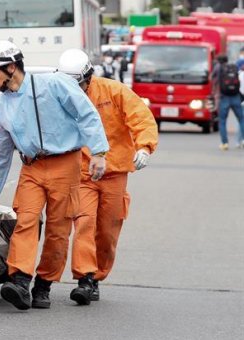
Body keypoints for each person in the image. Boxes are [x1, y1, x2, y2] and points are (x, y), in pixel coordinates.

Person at [0, 40, 109, 310]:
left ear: (12, 67)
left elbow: (86, 114)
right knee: (25, 221)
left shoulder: (55, 84)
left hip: (66, 163)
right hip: (32, 168)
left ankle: (44, 285)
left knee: (58, 230)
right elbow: (0, 156)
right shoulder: (0, 109)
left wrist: (98, 152)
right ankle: (20, 280)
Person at [58, 48, 158, 305]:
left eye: (78, 83)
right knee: (84, 223)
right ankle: (85, 278)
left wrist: (145, 147)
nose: (75, 89)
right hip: (81, 173)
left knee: (108, 230)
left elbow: (141, 118)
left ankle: (97, 275)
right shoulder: (59, 94)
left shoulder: (114, 91)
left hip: (114, 173)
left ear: (88, 77)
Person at [212, 54, 244, 150]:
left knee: (222, 121)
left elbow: (213, 79)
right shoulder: (233, 67)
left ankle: (224, 143)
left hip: (224, 96)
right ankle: (242, 139)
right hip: (235, 96)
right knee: (241, 119)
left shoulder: (218, 68)